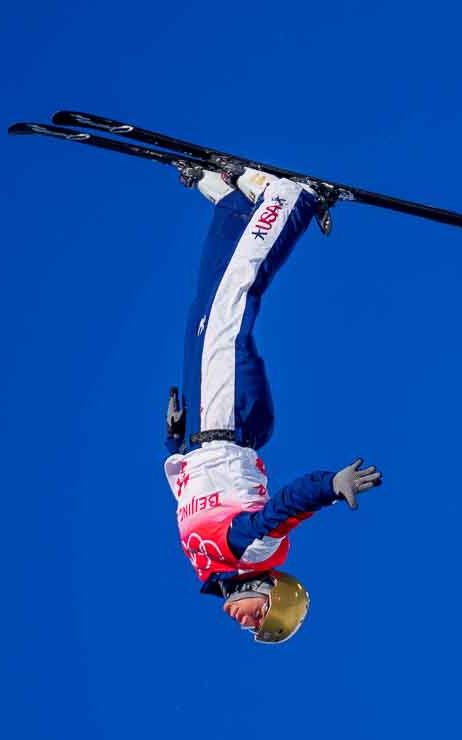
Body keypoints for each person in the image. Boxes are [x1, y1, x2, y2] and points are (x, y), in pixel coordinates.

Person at [163, 165, 383, 643]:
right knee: (231, 304)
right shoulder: (255, 554)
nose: (247, 624)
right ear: (272, 594)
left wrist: (173, 438)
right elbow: (284, 509)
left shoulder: (212, 564)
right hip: (225, 421)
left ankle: (233, 206)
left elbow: (193, 495)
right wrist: (330, 485)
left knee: (207, 310)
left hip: (209, 426)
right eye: (263, 619)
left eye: (254, 629)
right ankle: (292, 202)